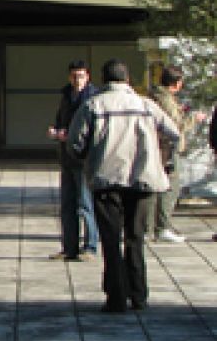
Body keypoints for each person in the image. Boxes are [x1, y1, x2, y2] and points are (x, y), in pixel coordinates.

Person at [68, 59, 180, 313]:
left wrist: (88, 159)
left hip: (107, 180)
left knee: (110, 240)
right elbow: (174, 133)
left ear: (104, 80)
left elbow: (75, 143)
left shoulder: (93, 105)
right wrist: (165, 161)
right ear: (127, 79)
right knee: (135, 238)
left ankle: (116, 298)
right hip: (143, 180)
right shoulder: (146, 105)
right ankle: (139, 295)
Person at [147, 66, 207, 243]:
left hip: (158, 147)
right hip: (168, 148)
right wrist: (194, 119)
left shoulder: (156, 96)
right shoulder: (164, 98)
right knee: (170, 187)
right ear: (176, 83)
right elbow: (176, 125)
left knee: (156, 188)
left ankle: (151, 227)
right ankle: (162, 227)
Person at [47, 60, 99, 261]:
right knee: (67, 204)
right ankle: (69, 247)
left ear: (88, 77)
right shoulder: (66, 96)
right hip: (66, 156)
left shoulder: (92, 98)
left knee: (85, 204)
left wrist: (69, 135)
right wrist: (57, 131)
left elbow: (92, 129)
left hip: (83, 157)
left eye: (81, 76)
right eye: (74, 76)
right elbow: (61, 119)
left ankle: (90, 246)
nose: (77, 80)